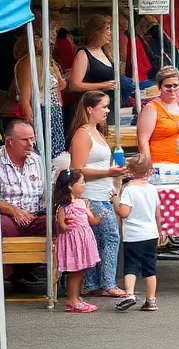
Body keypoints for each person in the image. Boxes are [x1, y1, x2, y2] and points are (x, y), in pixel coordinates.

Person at [68, 91, 126, 299]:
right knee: (111, 237)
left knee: (99, 239)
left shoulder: (97, 131)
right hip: (92, 195)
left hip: (102, 192)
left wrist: (112, 173)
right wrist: (109, 172)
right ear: (90, 109)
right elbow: (77, 169)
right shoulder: (83, 134)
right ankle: (107, 283)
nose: (107, 111)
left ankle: (94, 283)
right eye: (104, 106)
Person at [0, 120, 46, 280]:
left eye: (32, 139)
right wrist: (14, 211)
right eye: (25, 140)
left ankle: (24, 270)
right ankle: (3, 274)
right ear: (10, 141)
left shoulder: (37, 160)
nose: (31, 144)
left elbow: (47, 190)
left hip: (34, 215)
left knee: (59, 225)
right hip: (4, 215)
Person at [115, 155, 162, 312]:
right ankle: (151, 300)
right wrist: (160, 230)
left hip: (133, 235)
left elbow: (124, 212)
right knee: (150, 268)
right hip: (151, 233)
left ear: (130, 171)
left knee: (131, 267)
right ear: (149, 171)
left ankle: (129, 294)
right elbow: (157, 213)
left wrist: (115, 199)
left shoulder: (129, 190)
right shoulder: (153, 189)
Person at [136, 67, 179, 174]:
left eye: (175, 85)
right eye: (167, 86)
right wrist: (147, 167)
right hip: (159, 168)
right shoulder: (151, 108)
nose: (172, 89)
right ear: (159, 87)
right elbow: (142, 141)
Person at [53, 168, 103, 313]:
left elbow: (91, 220)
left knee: (81, 271)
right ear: (70, 186)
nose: (84, 185)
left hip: (83, 240)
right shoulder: (63, 206)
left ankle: (76, 297)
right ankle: (72, 300)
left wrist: (99, 217)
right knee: (75, 271)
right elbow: (61, 225)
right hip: (72, 241)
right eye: (81, 182)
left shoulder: (82, 203)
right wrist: (64, 225)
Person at [13, 33, 68, 157]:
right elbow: (25, 98)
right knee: (41, 152)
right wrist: (30, 122)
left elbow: (61, 85)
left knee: (54, 153)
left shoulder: (46, 62)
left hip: (53, 111)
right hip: (40, 111)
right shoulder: (28, 62)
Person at [68, 15, 120, 99]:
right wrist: (102, 86)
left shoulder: (106, 51)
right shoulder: (83, 54)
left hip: (108, 101)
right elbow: (74, 85)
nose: (110, 32)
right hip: (92, 103)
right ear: (96, 32)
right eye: (107, 29)